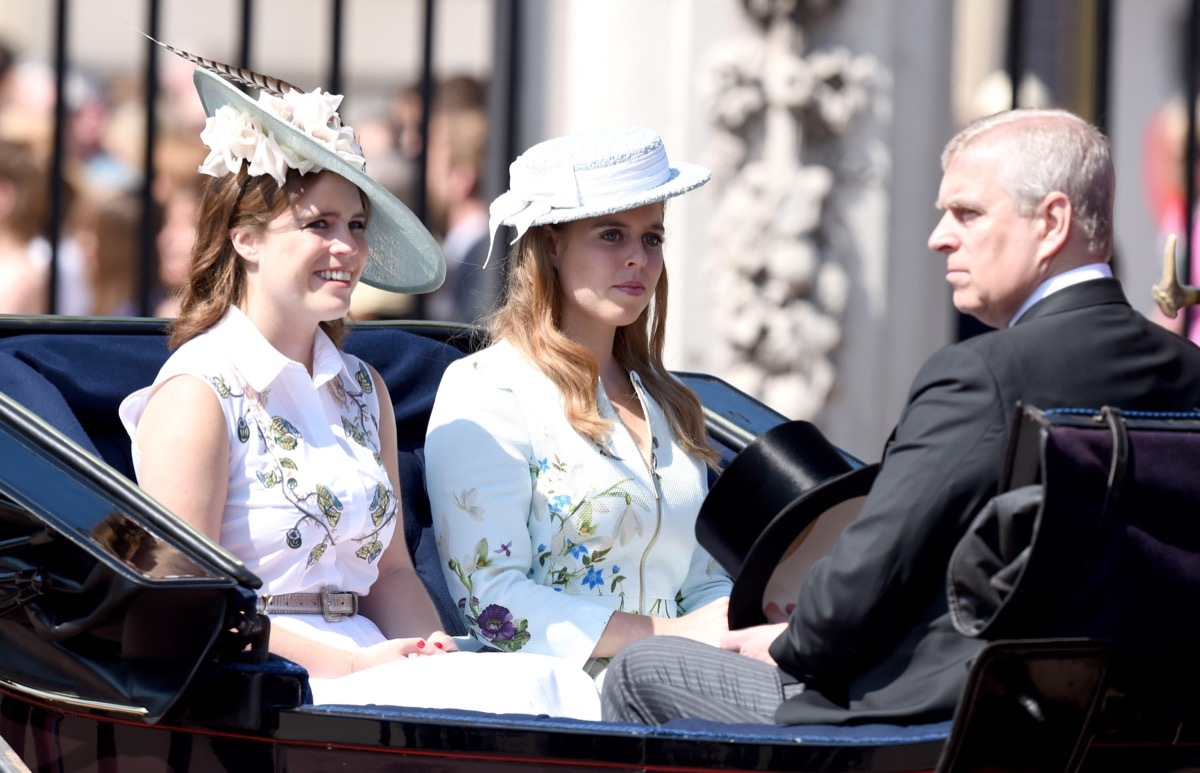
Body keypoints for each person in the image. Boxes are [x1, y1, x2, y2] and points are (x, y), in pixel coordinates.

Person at [600, 108, 1200, 726]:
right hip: (1146, 724)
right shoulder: (1190, 372)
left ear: (1051, 223)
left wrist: (788, 640)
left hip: (944, 720)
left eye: (967, 213)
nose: (939, 237)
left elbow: (867, 579)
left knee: (645, 670)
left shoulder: (982, 375)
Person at [118, 56, 600, 719]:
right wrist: (350, 662)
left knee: (556, 688)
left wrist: (431, 651)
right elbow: (188, 600)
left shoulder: (361, 388)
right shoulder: (198, 392)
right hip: (266, 678)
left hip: (369, 662)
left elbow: (393, 571)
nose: (346, 245)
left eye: (356, 225)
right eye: (319, 223)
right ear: (247, 239)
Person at [423, 126, 734, 679]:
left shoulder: (671, 402)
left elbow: (703, 580)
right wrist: (671, 636)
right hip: (552, 704)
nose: (639, 257)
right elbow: (493, 604)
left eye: (653, 237)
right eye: (611, 235)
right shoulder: (486, 387)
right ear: (551, 245)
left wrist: (744, 628)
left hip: (683, 689)